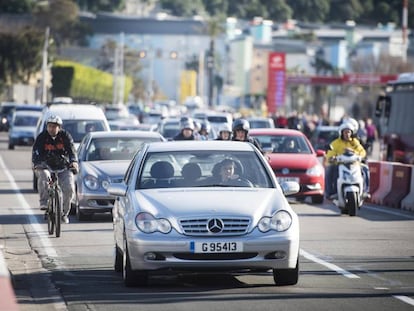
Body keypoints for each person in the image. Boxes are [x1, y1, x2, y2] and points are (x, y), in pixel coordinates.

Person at [32, 115, 78, 224]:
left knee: (69, 187)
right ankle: (44, 202)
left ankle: (64, 213)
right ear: (47, 127)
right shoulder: (42, 137)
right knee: (44, 176)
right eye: (49, 126)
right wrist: (37, 163)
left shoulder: (65, 136)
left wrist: (74, 161)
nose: (52, 129)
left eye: (54, 126)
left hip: (63, 166)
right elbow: (36, 152)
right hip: (46, 166)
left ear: (59, 127)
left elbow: (72, 150)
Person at [325, 122, 370, 200]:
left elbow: (362, 151)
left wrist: (355, 153)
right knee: (330, 170)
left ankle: (365, 191)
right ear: (341, 133)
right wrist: (332, 157)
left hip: (354, 164)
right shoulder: (336, 143)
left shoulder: (355, 142)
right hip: (340, 164)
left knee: (365, 169)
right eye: (345, 132)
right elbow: (330, 152)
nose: (347, 134)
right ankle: (332, 192)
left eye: (349, 132)